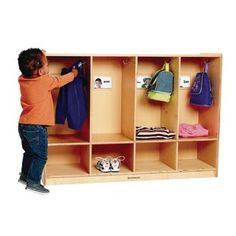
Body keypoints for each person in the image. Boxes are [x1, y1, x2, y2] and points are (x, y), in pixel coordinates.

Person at [17, 48, 78, 194]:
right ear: (40, 72)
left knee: (29, 153)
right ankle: (33, 182)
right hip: (36, 127)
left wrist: (41, 55)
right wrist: (74, 74)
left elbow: (36, 70)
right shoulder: (45, 81)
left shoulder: (22, 79)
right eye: (47, 65)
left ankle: (25, 176)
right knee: (40, 155)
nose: (48, 67)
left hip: (23, 125)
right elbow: (61, 80)